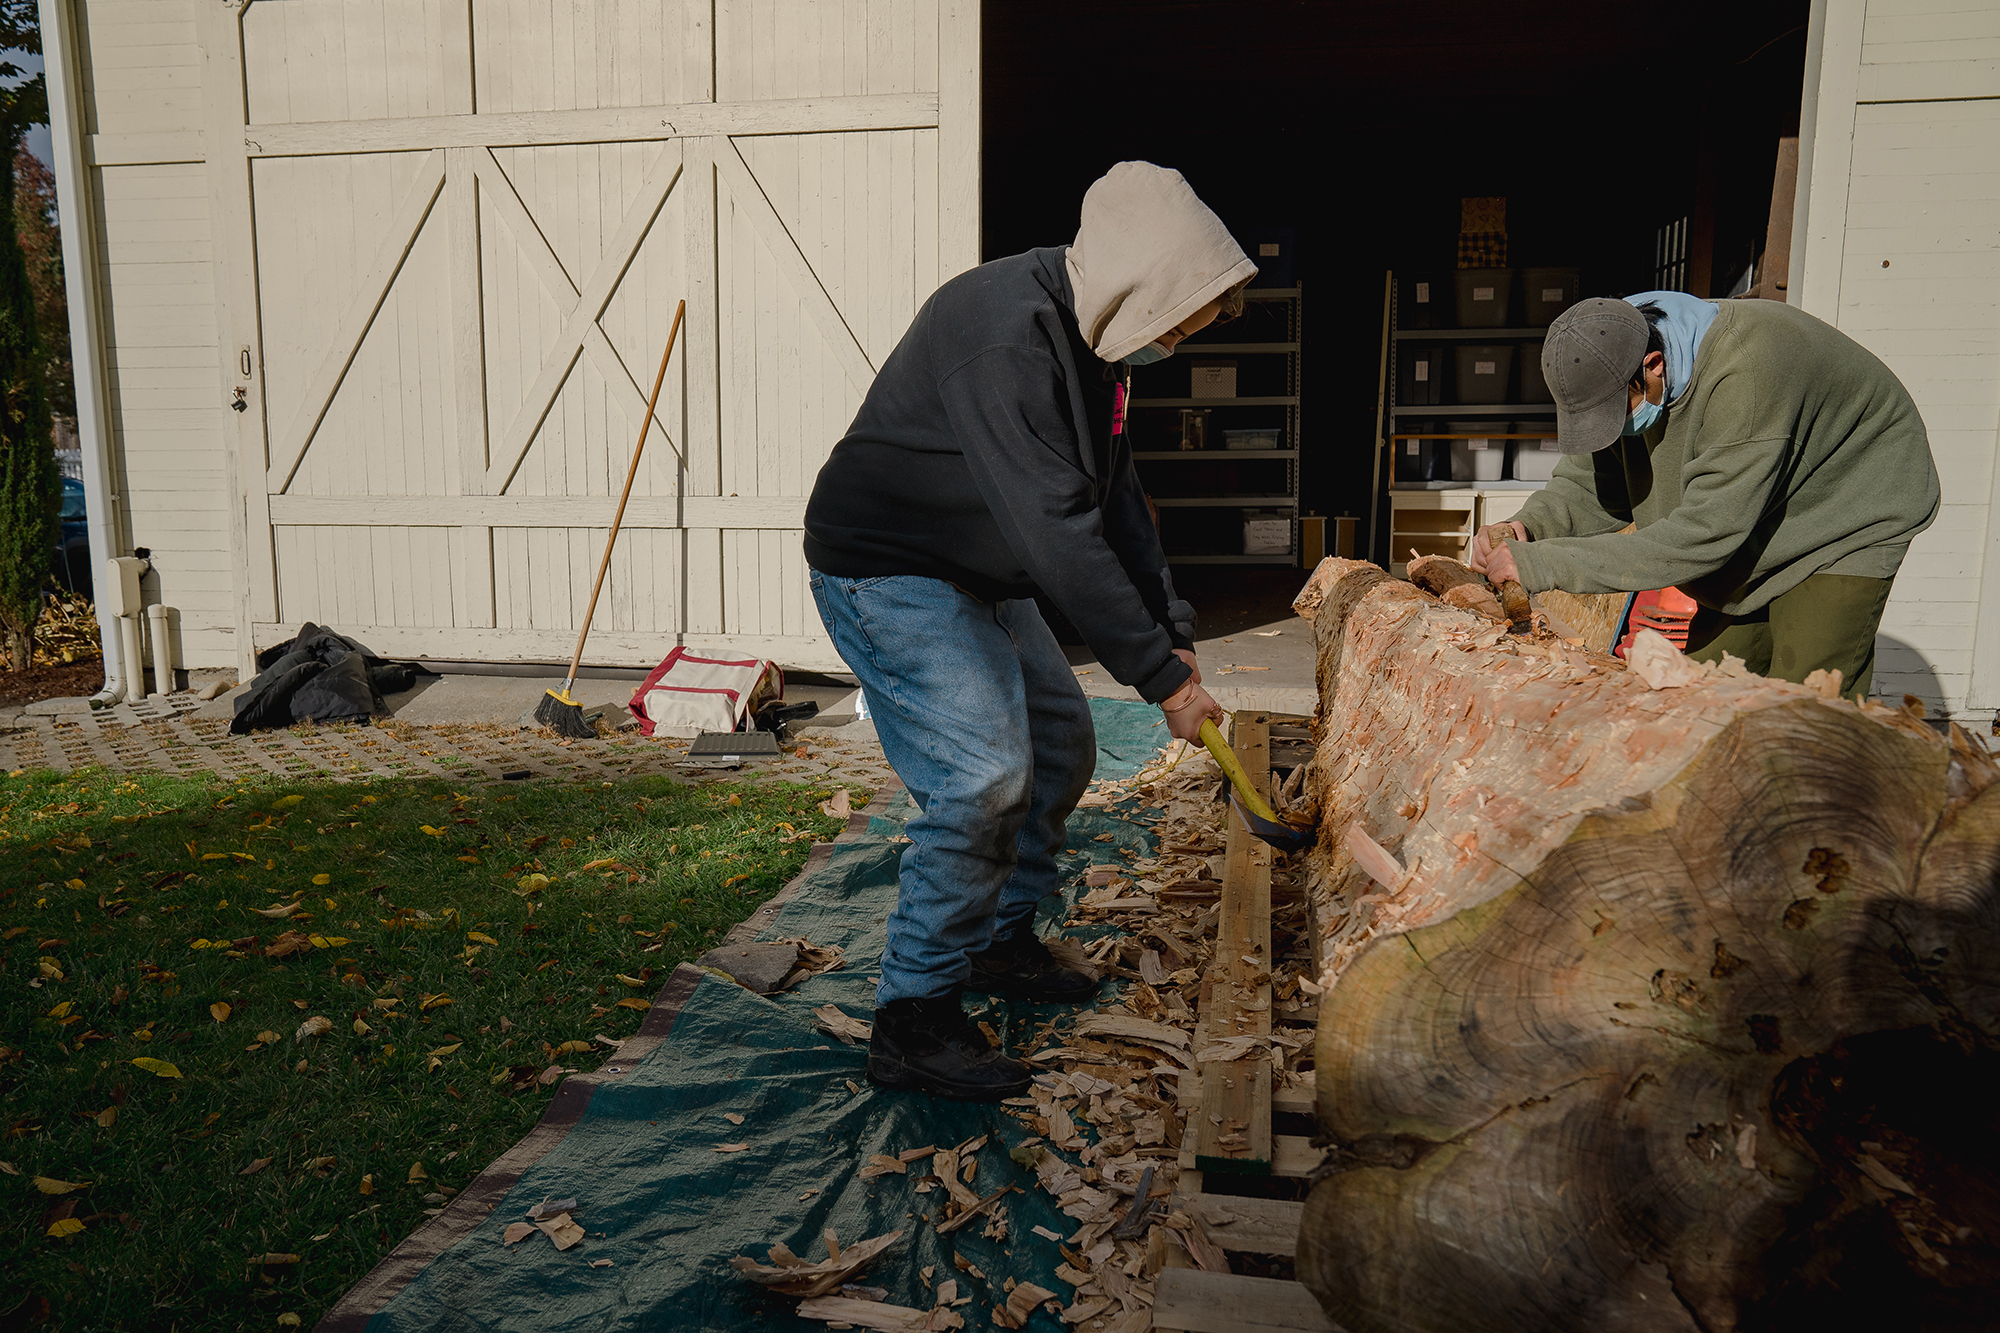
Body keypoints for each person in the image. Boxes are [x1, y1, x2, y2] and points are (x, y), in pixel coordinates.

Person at [802, 162, 1251, 1100]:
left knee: (1059, 741)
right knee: (982, 777)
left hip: (975, 564)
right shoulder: (1001, 332)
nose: (1174, 343)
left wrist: (1174, 632)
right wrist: (1163, 682)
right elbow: (1058, 534)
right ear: (1136, 284)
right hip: (890, 569)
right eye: (1174, 324)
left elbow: (1115, 499)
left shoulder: (1095, 344)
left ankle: (999, 939)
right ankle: (913, 1019)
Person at [1469, 292, 1938, 697]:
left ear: (1653, 365)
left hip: (1845, 510)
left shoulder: (1747, 375)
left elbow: (1705, 535)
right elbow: (1588, 483)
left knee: (1805, 705)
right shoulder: (1609, 347)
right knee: (1706, 692)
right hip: (1753, 506)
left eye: (1619, 412)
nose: (1614, 428)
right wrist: (1528, 528)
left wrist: (1543, 564)